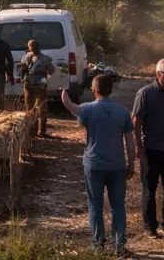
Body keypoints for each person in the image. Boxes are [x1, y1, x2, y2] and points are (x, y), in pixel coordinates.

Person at [62, 75, 135, 256]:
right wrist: (131, 163)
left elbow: (70, 106)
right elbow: (130, 143)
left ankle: (98, 246)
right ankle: (119, 246)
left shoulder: (87, 109)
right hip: (117, 165)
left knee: (95, 206)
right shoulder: (123, 112)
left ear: (94, 90)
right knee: (118, 206)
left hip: (94, 164)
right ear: (111, 89)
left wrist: (63, 90)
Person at [132, 58, 164, 238]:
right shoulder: (145, 94)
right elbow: (136, 121)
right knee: (150, 188)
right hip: (151, 149)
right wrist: (138, 145)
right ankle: (149, 226)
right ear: (158, 74)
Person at [20, 39, 56, 137]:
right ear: (29, 47)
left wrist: (45, 80)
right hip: (28, 86)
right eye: (31, 46)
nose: (33, 48)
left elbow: (52, 70)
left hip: (40, 86)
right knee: (30, 109)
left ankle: (42, 132)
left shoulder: (44, 59)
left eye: (34, 46)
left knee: (41, 108)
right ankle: (32, 131)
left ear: (38, 47)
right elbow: (23, 71)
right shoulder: (25, 58)